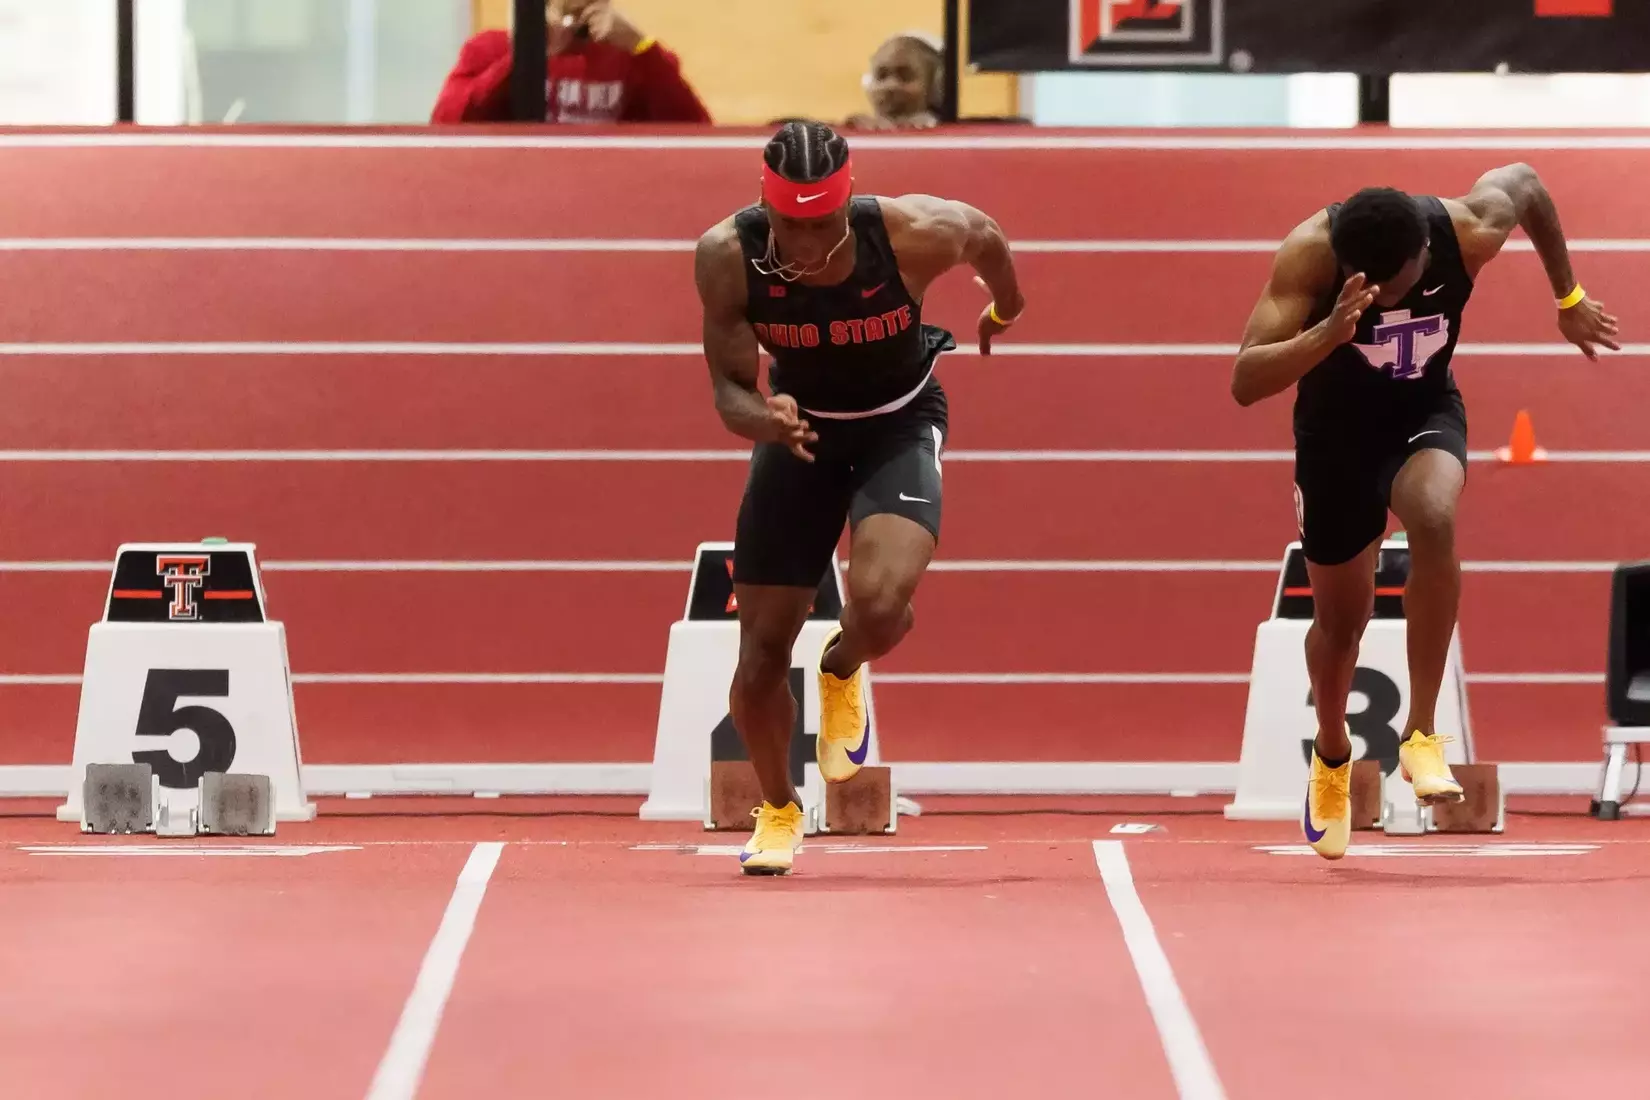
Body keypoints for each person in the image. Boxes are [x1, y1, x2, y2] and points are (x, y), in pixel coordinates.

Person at [1232, 165, 1621, 861]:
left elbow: (1528, 184)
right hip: (1334, 440)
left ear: (1423, 256)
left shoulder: (1468, 229)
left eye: (1397, 281)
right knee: (1339, 627)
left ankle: (1419, 733)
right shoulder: (1308, 252)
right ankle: (1331, 752)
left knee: (1434, 517)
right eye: (1368, 281)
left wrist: (1569, 295)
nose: (1383, 292)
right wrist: (1328, 331)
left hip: (1423, 413)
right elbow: (1246, 380)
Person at [693, 120, 1025, 875]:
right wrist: (763, 418)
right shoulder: (727, 257)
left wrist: (1004, 308)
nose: (805, 247)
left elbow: (988, 237)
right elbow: (727, 391)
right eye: (789, 226)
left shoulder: (910, 233)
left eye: (822, 225)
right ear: (764, 207)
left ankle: (842, 665)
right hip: (797, 436)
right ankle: (779, 808)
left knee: (878, 608)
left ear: (848, 204)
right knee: (757, 662)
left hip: (897, 424)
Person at [430, 0, 709, 124]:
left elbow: (695, 134)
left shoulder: (634, 57)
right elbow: (446, 123)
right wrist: (525, 55)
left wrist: (644, 49)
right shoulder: (492, 48)